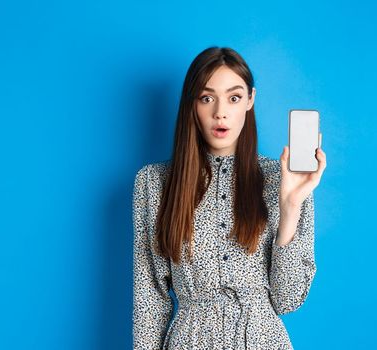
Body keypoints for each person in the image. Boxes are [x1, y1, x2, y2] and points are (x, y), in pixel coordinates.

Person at [132, 47, 327, 349]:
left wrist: (290, 208)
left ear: (250, 100)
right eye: (207, 98)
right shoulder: (154, 183)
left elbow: (287, 300)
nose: (220, 112)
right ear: (192, 104)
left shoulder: (284, 180)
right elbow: (150, 300)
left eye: (234, 98)